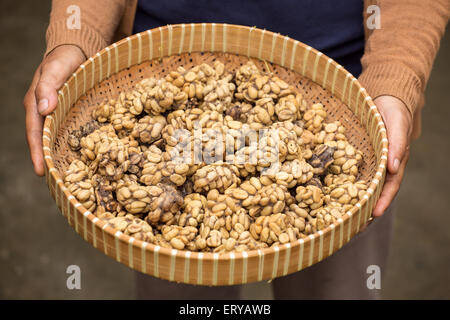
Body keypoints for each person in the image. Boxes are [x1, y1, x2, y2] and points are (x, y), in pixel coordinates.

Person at [23, 0, 449, 299]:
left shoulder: (335, 155)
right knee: (178, 285)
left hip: (345, 93)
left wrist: (395, 81)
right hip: (156, 64)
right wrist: (75, 36)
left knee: (338, 288)